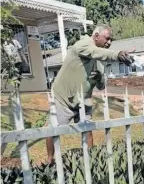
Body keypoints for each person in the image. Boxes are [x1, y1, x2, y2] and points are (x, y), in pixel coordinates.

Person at [46, 25, 133, 163]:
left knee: (87, 130)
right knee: (53, 130)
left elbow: (101, 85)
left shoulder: (99, 62)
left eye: (111, 40)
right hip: (63, 97)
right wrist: (117, 54)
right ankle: (50, 161)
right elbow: (94, 52)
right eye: (107, 38)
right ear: (96, 36)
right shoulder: (82, 45)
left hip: (83, 99)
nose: (109, 42)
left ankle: (90, 160)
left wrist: (99, 78)